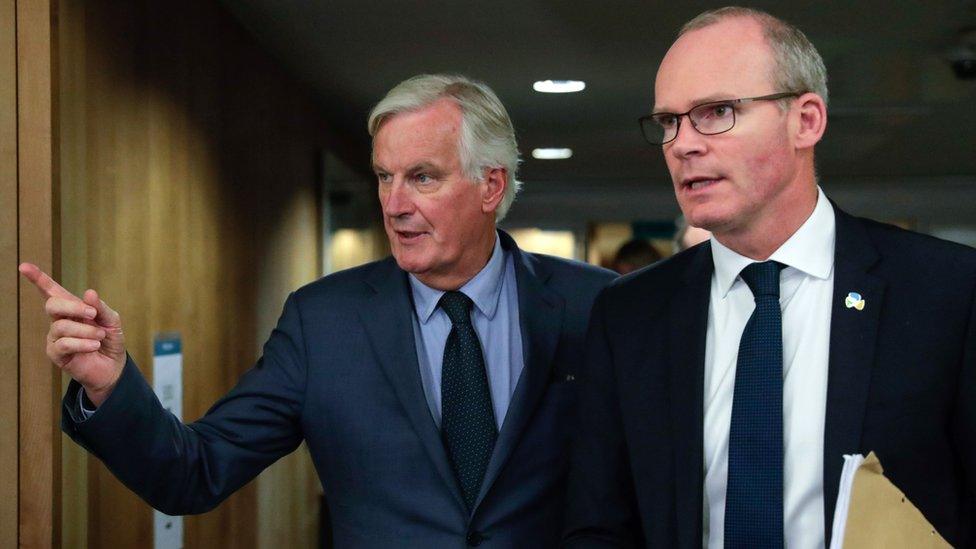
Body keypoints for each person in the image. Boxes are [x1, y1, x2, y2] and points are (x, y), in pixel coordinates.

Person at [20, 74, 614, 548]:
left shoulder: (594, 306)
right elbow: (192, 474)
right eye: (384, 177)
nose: (394, 204)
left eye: (422, 178)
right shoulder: (322, 321)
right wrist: (110, 385)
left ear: (490, 187)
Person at [564, 7, 976, 548]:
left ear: (806, 120)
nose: (683, 144)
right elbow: (599, 524)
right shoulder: (632, 312)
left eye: (716, 111)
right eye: (669, 121)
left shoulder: (945, 290)